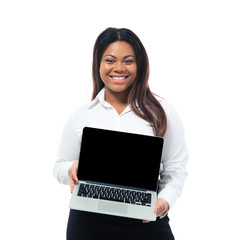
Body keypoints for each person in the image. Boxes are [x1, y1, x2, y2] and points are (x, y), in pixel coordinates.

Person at [53, 27, 188, 240]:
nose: (118, 68)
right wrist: (70, 168)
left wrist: (164, 201)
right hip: (89, 221)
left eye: (127, 61)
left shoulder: (163, 113)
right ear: (98, 65)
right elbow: (59, 166)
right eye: (110, 60)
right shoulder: (81, 116)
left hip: (146, 218)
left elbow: (176, 169)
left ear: (139, 65)